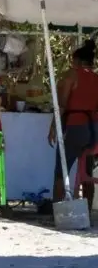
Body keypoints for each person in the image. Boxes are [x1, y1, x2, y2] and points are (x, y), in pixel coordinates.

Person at [49, 38, 98, 207]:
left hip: (76, 127)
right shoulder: (96, 78)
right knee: (86, 171)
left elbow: (61, 105)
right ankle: (88, 210)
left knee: (61, 171)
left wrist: (53, 127)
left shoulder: (71, 75)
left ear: (76, 60)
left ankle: (57, 209)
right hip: (93, 130)